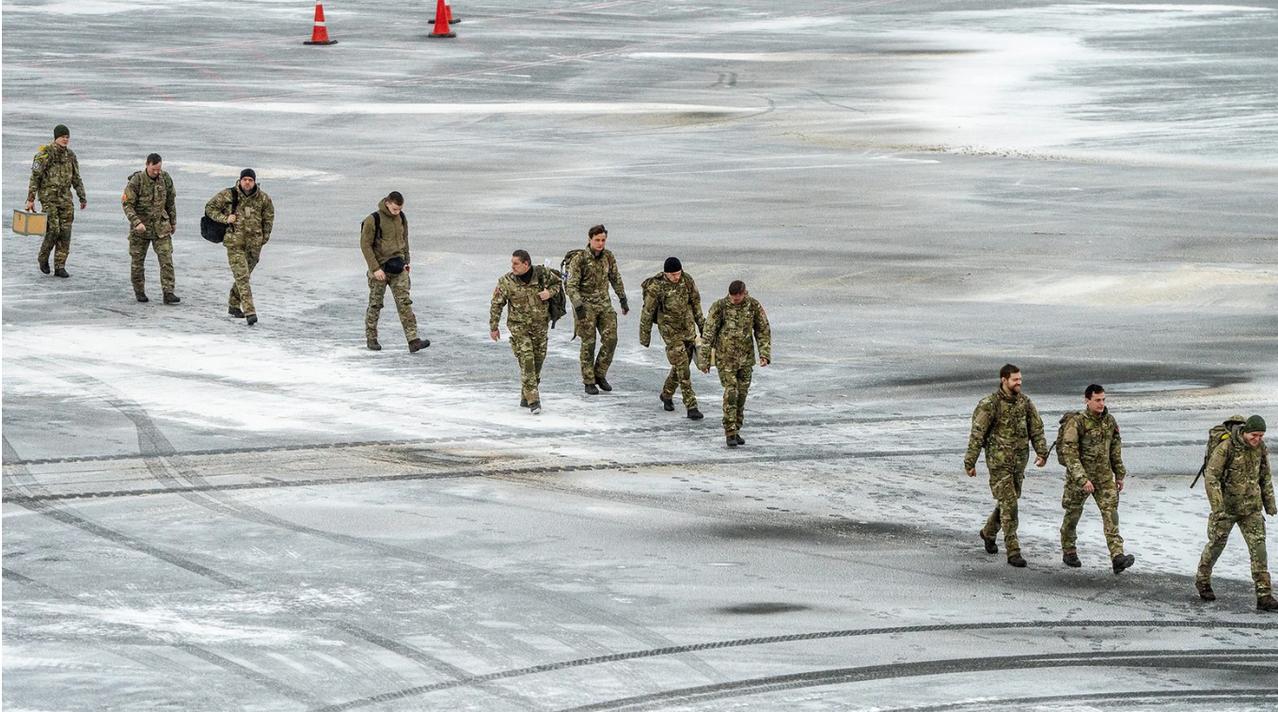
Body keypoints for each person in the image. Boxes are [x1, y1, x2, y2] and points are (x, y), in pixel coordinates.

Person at [964, 364, 1049, 567]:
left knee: (1007, 502)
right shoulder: (989, 404)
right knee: (1010, 504)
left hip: (1019, 463)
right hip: (998, 463)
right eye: (1015, 379)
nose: (1019, 382)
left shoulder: (1025, 403)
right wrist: (970, 461)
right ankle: (1013, 551)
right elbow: (977, 434)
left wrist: (1042, 452)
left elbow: (1036, 429)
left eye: (1020, 379)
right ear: (1004, 380)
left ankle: (988, 532)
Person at [1196, 415, 1277, 611]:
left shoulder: (1260, 448)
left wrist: (1270, 503)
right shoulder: (1227, 447)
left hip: (1251, 508)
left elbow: (1265, 476)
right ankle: (1203, 580)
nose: (1257, 439)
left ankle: (1264, 595)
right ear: (1245, 432)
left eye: (1261, 435)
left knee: (1259, 549)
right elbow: (1212, 478)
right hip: (1227, 508)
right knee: (1216, 545)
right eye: (1254, 435)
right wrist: (1218, 508)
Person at [1058, 384, 1134, 573]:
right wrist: (1082, 479)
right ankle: (1069, 550)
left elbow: (1115, 449)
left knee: (1111, 515)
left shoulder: (1109, 421)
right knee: (1072, 515)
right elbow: (1070, 453)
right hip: (1080, 479)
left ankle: (1117, 556)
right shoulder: (1077, 423)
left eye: (1103, 400)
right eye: (1097, 400)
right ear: (1087, 400)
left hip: (1104, 478)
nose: (1101, 404)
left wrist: (1119, 474)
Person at [699, 280, 770, 447]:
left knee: (742, 396)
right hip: (726, 359)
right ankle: (729, 432)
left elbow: (762, 329)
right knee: (731, 393)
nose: (735, 300)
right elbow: (708, 334)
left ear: (744, 293)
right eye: (732, 298)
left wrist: (764, 354)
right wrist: (705, 360)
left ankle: (736, 429)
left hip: (745, 359)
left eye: (738, 298)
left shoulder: (753, 306)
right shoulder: (720, 307)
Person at [490, 250, 562, 414]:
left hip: (540, 327)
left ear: (526, 264)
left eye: (516, 263)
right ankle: (533, 400)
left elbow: (558, 283)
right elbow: (496, 304)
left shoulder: (542, 274)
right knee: (527, 358)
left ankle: (526, 395)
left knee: (538, 361)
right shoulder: (506, 281)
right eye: (512, 263)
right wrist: (494, 327)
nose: (512, 266)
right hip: (518, 327)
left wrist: (549, 293)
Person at [204, 169, 274, 326]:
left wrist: (264, 237)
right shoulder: (229, 195)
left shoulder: (263, 199)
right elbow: (210, 208)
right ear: (240, 180)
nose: (247, 182)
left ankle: (233, 305)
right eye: (245, 179)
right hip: (234, 243)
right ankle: (250, 311)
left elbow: (268, 218)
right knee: (242, 277)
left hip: (254, 245)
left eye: (250, 180)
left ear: (255, 182)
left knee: (245, 275)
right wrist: (224, 218)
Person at [360, 192, 427, 352]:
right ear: (388, 203)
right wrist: (375, 268)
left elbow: (405, 240)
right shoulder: (373, 220)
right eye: (395, 209)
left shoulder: (402, 218)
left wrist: (406, 262)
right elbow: (365, 245)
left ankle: (413, 340)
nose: (397, 212)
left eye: (400, 209)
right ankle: (371, 338)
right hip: (380, 269)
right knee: (375, 304)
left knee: (404, 303)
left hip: (398, 267)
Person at [639, 257, 704, 420]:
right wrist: (644, 336)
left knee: (681, 365)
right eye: (673, 275)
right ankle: (691, 405)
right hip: (670, 330)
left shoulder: (687, 280)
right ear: (666, 273)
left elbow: (696, 304)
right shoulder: (657, 286)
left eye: (678, 273)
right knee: (683, 367)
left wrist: (703, 328)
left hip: (687, 328)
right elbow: (647, 312)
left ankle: (667, 394)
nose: (676, 277)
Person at [565, 224, 627, 394]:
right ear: (590, 239)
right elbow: (571, 286)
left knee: (611, 339)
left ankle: (600, 374)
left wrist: (623, 299)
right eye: (597, 240)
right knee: (589, 343)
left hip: (604, 304)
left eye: (603, 240)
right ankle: (588, 380)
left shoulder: (608, 256)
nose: (600, 243)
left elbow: (615, 277)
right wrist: (578, 307)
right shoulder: (580, 259)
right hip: (585, 305)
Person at [26, 123, 87, 278]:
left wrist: (82, 196)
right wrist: (31, 199)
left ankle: (60, 266)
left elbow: (76, 178)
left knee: (65, 232)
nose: (65, 140)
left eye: (67, 137)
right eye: (62, 137)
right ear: (56, 138)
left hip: (65, 198)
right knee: (53, 230)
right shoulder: (44, 154)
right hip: (49, 198)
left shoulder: (71, 155)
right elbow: (35, 177)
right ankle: (43, 256)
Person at [121, 153, 179, 304]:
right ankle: (139, 291)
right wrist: (136, 222)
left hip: (161, 227)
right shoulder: (136, 181)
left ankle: (168, 292)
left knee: (166, 259)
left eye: (159, 169)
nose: (157, 172)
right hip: (141, 229)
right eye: (154, 169)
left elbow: (171, 202)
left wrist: (173, 222)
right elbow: (127, 205)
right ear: (147, 164)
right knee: (137, 262)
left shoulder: (165, 178)